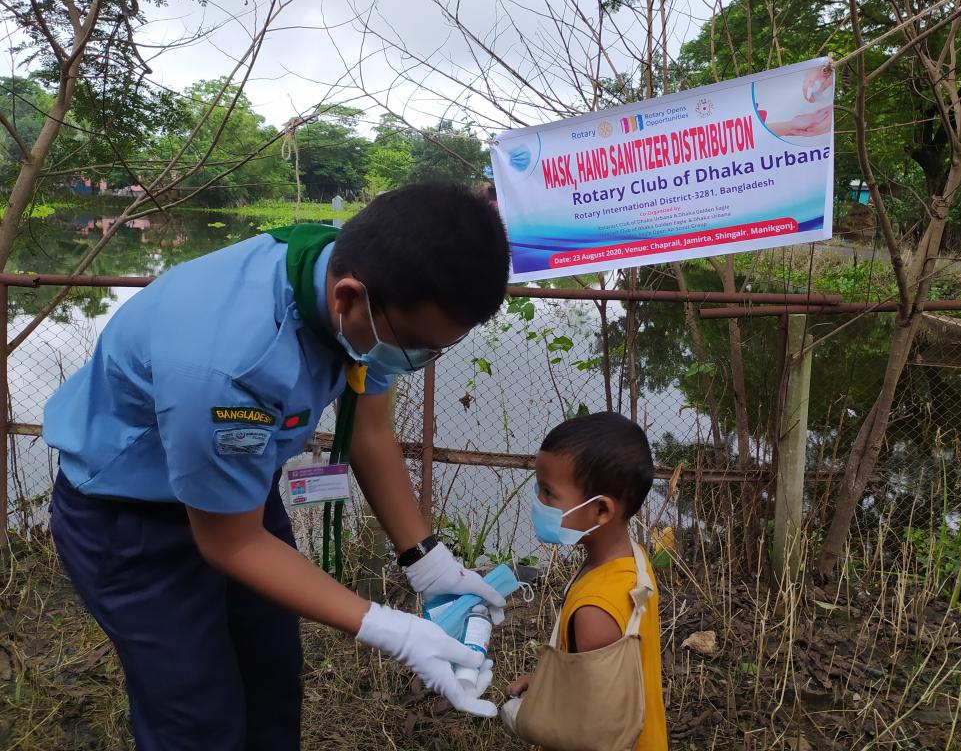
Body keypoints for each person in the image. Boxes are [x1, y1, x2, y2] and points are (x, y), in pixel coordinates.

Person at [44, 182, 512, 750]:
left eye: (435, 349)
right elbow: (231, 544)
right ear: (347, 298)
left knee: (271, 685)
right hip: (133, 520)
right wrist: (393, 630)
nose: (417, 360)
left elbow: (368, 428)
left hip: (239, 494)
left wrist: (427, 561)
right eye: (415, 345)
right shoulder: (227, 367)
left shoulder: (365, 277)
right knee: (196, 718)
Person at [507, 412, 668, 750]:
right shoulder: (632, 562)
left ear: (601, 511)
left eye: (549, 493)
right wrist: (543, 683)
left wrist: (533, 707)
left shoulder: (594, 613)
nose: (539, 502)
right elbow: (600, 682)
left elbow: (589, 724)